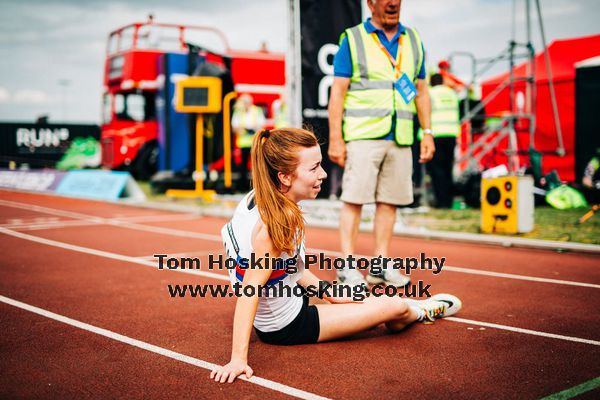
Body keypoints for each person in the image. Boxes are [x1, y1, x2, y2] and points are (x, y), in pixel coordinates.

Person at [210, 127, 462, 383]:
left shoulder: (258, 198)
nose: (323, 174)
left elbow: (291, 270)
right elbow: (249, 290)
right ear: (285, 177)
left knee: (355, 296)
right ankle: (418, 312)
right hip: (286, 325)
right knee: (393, 305)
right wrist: (238, 359)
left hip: (293, 299)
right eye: (314, 168)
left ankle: (400, 310)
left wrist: (329, 293)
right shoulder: (276, 223)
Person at [328, 0, 434, 288]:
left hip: (400, 136)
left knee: (390, 201)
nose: (393, 3)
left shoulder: (413, 39)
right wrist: (336, 139)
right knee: (354, 198)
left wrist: (427, 132)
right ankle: (347, 267)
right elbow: (337, 93)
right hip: (363, 135)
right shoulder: (353, 38)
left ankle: (380, 264)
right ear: (370, 3)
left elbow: (422, 92)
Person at [421, 73, 460, 208]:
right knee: (448, 169)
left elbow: (423, 110)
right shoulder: (452, 94)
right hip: (451, 134)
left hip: (436, 135)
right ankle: (449, 201)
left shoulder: (430, 93)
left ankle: (441, 201)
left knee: (437, 171)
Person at [231, 94, 266, 191]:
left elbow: (261, 124)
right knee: (243, 167)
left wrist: (250, 129)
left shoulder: (257, 110)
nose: (245, 104)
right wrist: (245, 129)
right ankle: (243, 186)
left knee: (256, 165)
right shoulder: (238, 111)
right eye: (244, 102)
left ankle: (257, 186)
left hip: (254, 142)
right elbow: (235, 127)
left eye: (246, 102)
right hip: (243, 143)